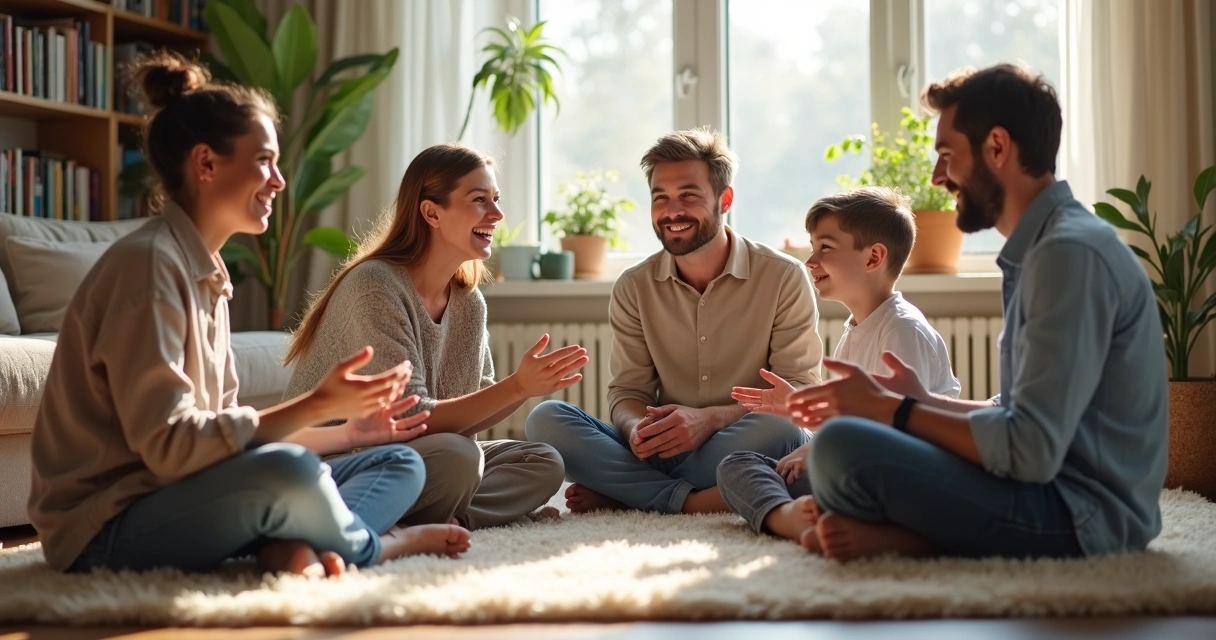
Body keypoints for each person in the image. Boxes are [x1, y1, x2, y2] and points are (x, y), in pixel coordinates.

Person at [27, 52, 469, 579]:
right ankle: (377, 544)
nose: (279, 181)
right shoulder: (149, 268)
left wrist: (351, 433)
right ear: (207, 164)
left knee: (397, 460)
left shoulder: (206, 273)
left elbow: (231, 434)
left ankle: (294, 545)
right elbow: (172, 448)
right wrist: (314, 404)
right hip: (105, 526)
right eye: (264, 161)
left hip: (187, 491)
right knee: (292, 471)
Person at [784, 63, 1168, 561]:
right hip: (1053, 487)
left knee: (840, 446)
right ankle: (909, 536)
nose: (937, 177)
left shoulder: (1067, 255)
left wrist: (894, 411)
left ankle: (914, 542)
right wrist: (924, 401)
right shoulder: (1045, 248)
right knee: (844, 445)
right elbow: (1015, 413)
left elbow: (1027, 450)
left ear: (997, 148)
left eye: (946, 155)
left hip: (1083, 516)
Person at [283, 143, 582, 530]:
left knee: (543, 461)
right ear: (431, 212)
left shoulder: (468, 302)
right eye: (479, 200)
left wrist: (525, 388)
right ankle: (438, 513)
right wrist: (515, 386)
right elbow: (410, 416)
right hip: (344, 460)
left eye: (496, 199)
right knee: (457, 457)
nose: (497, 214)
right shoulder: (374, 287)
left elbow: (480, 398)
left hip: (427, 452)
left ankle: (453, 516)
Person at [526, 127, 822, 514]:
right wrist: (636, 431)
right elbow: (628, 392)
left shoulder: (783, 276)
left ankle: (630, 493)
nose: (672, 211)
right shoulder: (633, 286)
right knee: (546, 420)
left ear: (725, 199)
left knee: (783, 429)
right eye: (660, 198)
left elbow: (796, 393)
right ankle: (691, 499)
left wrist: (712, 419)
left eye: (689, 196)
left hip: (742, 441)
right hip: (659, 451)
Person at [718, 186, 960, 544]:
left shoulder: (903, 331)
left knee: (824, 466)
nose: (810, 261)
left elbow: (897, 429)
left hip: (898, 473)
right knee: (735, 466)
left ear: (874, 257)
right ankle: (791, 516)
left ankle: (817, 511)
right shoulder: (855, 331)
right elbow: (849, 421)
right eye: (813, 247)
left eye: (825, 248)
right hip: (852, 464)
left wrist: (818, 445)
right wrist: (806, 425)